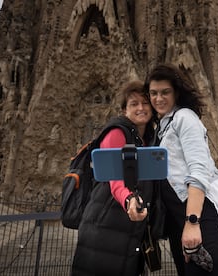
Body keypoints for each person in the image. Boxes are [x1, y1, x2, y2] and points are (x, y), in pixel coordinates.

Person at [144, 63, 218, 276]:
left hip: (202, 213)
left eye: (165, 92)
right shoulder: (161, 128)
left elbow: (198, 170)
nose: (158, 99)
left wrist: (192, 222)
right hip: (180, 220)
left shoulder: (184, 117)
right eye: (153, 93)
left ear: (177, 93)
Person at [72, 80, 155, 276]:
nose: (141, 108)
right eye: (134, 104)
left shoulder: (148, 140)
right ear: (124, 110)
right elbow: (114, 178)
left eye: (145, 103)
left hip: (129, 231)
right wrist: (128, 199)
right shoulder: (117, 132)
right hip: (105, 228)